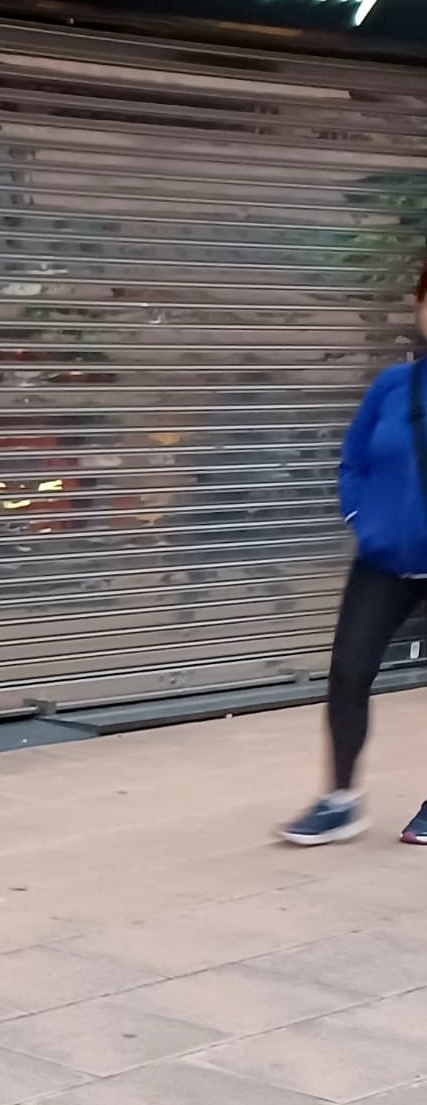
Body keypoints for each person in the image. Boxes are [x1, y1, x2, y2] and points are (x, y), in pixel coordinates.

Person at [281, 263, 427, 846]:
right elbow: (353, 462)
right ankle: (341, 799)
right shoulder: (394, 386)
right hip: (386, 560)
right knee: (349, 670)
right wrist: (363, 522)